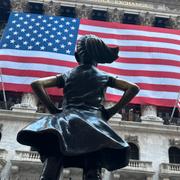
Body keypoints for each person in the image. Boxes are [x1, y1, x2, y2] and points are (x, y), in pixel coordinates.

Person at [17, 35, 140, 180]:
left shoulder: (68, 75)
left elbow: (37, 84)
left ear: (77, 56)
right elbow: (133, 88)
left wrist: (53, 110)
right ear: (98, 57)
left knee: (52, 165)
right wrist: (111, 111)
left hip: (64, 123)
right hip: (93, 125)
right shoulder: (104, 76)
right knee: (92, 170)